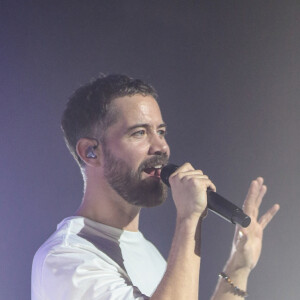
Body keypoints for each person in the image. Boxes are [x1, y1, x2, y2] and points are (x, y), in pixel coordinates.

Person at [31, 74, 280, 300]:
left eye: (161, 131)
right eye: (139, 133)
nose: (161, 147)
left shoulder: (147, 251)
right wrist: (188, 218)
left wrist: (239, 267)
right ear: (91, 152)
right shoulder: (67, 259)